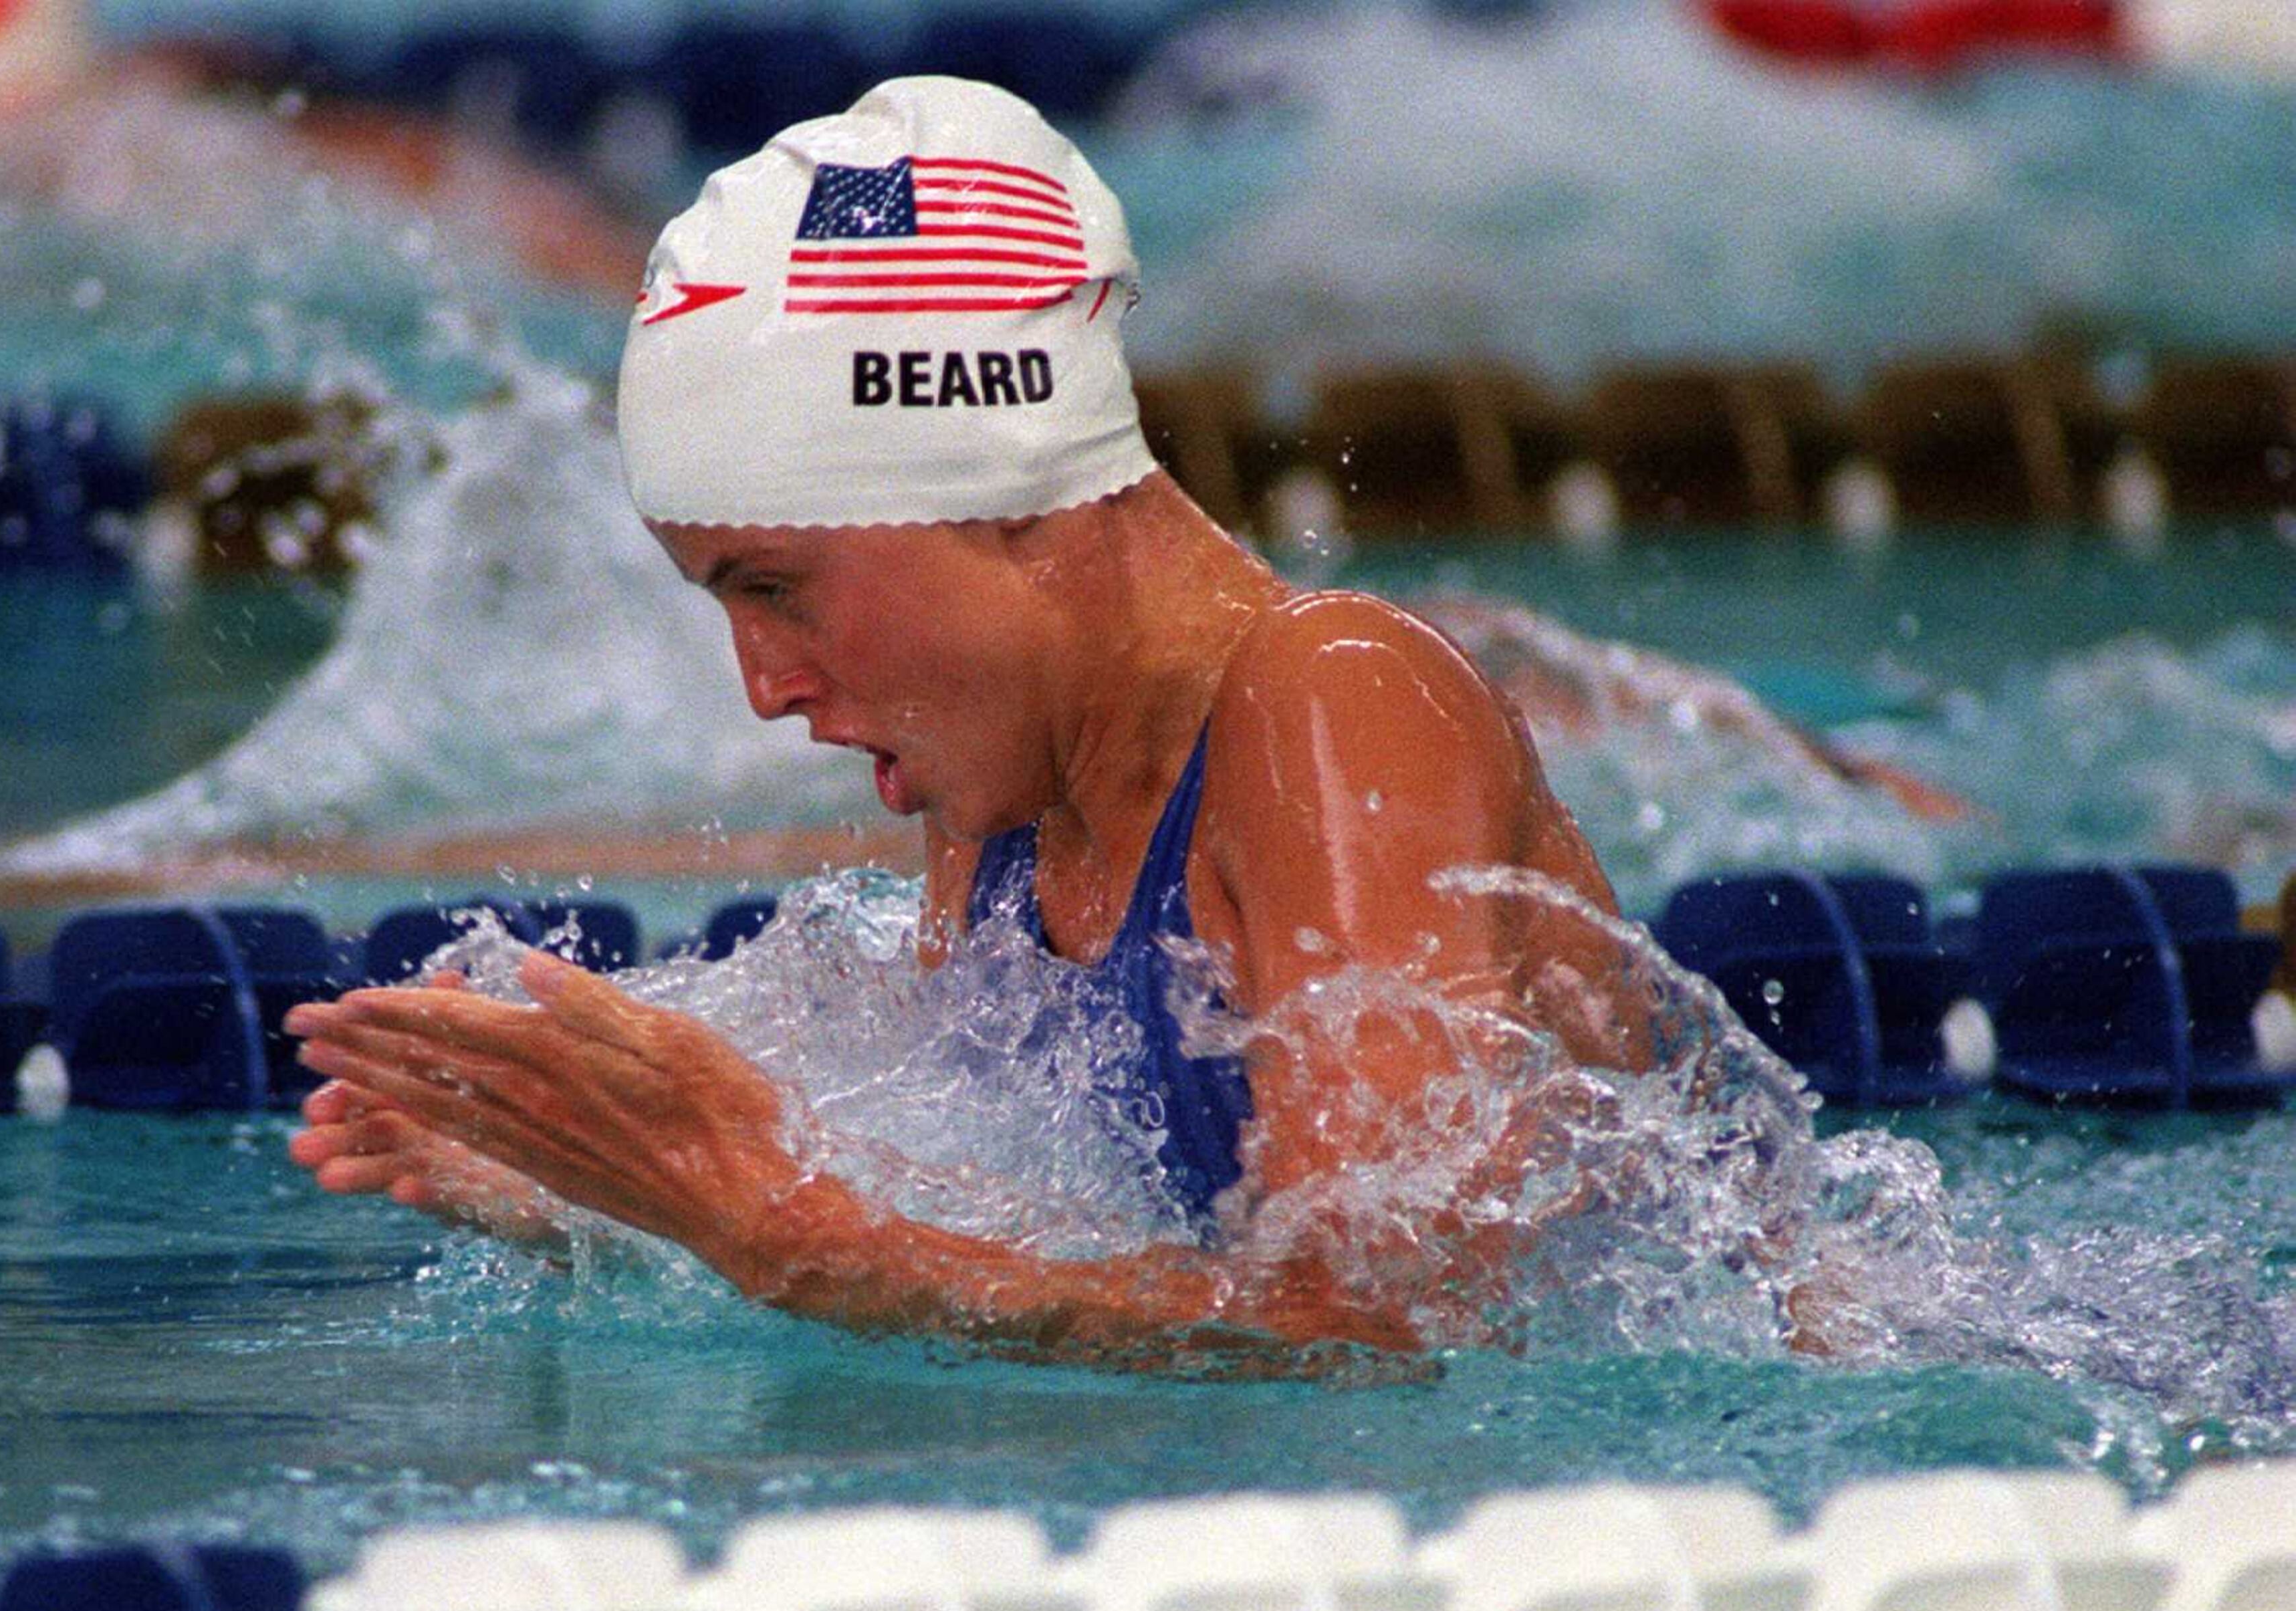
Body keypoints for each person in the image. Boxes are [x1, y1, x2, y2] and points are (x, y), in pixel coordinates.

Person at [285, 77, 1657, 1364]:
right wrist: (632, 1194)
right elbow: (1063, 1244)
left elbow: (1401, 1320)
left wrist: (785, 1230)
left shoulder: (1337, 701)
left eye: (775, 587)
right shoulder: (999, 800)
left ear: (1001, 495)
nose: (764, 685)